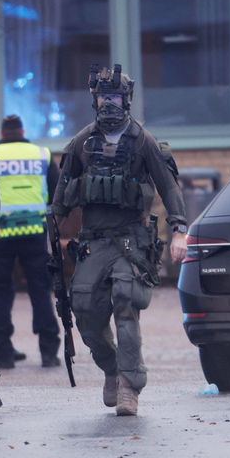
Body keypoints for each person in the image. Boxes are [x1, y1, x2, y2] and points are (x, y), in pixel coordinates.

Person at [51, 64, 187, 417]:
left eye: (114, 97)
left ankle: (129, 385)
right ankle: (112, 369)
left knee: (126, 306)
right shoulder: (82, 142)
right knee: (85, 314)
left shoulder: (144, 142)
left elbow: (170, 188)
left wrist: (179, 231)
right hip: (93, 241)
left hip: (131, 240)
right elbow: (63, 194)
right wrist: (50, 231)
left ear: (126, 100)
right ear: (94, 100)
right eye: (102, 97)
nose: (108, 104)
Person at [0, 114, 61, 369]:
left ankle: (3, 352)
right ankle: (49, 351)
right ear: (23, 131)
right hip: (34, 231)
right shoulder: (42, 154)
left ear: (2, 134)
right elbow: (56, 191)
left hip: (0, 233)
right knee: (40, 290)